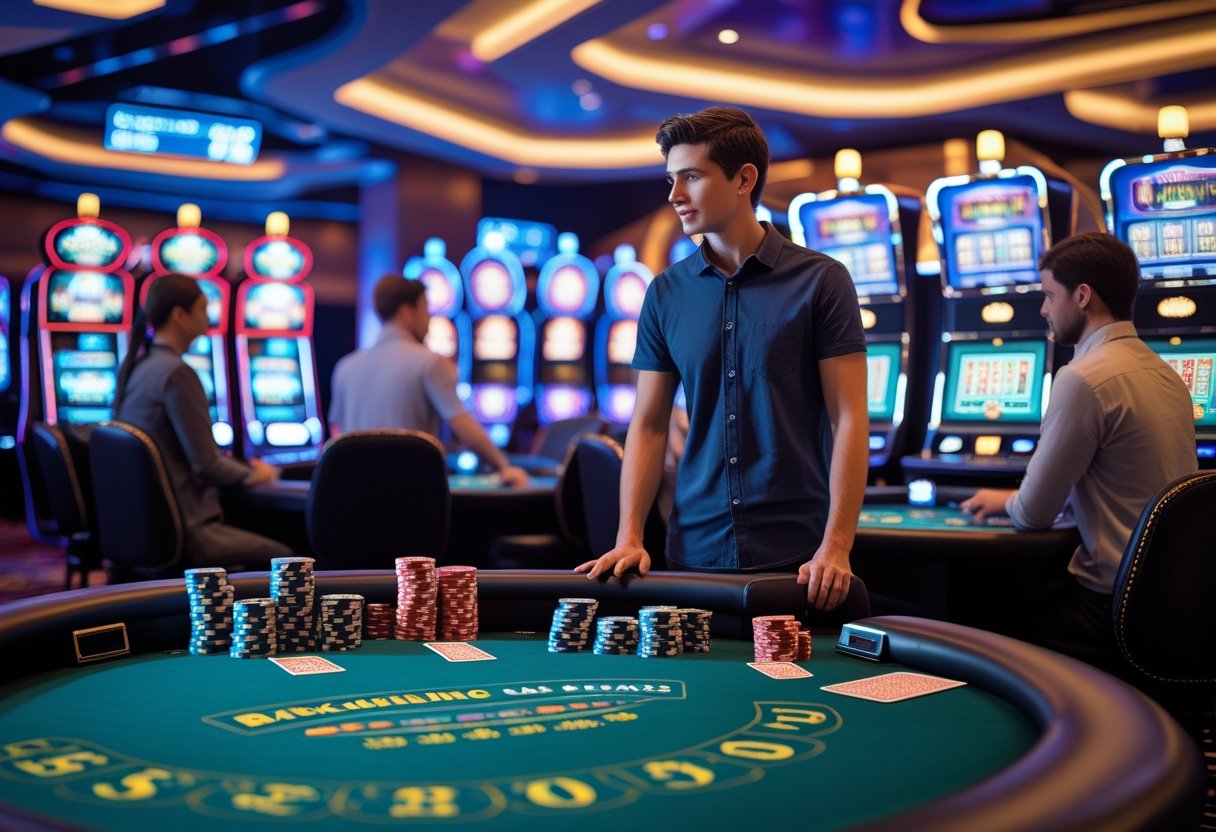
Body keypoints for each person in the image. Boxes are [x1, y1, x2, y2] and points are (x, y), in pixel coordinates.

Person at [574, 106, 870, 610]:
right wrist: (630, 535)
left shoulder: (821, 280)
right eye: (671, 179)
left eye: (691, 176)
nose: (674, 195)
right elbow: (647, 425)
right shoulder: (664, 293)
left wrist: (836, 545)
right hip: (693, 548)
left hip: (799, 555)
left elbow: (849, 417)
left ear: (743, 179)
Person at [960, 232, 1196, 658]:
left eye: (1050, 295)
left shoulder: (1083, 378)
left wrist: (1008, 502)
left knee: (975, 615)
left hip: (1110, 609)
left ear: (1083, 296)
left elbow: (1033, 515)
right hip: (1177, 604)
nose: (1044, 308)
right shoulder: (1167, 376)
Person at [114, 274, 292, 568]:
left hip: (149, 525)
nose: (208, 317)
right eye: (202, 308)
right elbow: (207, 465)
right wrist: (256, 474)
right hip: (188, 529)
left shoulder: (141, 368)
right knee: (289, 560)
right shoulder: (176, 374)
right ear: (179, 315)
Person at [328, 275, 528, 488]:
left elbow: (336, 433)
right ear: (406, 312)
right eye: (425, 309)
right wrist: (504, 466)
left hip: (353, 497)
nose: (429, 319)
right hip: (411, 496)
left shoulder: (345, 366)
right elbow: (462, 423)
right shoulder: (431, 362)